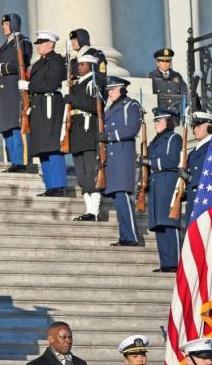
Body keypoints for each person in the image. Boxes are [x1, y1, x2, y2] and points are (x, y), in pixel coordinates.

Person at [19, 30, 67, 197]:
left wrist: (28, 86)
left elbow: (51, 83)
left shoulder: (56, 61)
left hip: (50, 106)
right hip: (39, 106)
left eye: (41, 43)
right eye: (38, 43)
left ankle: (58, 185)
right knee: (43, 148)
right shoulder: (40, 63)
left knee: (52, 146)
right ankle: (50, 185)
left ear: (51, 44)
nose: (38, 46)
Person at [139, 108, 182, 272]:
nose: (156, 123)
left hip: (167, 181)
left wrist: (150, 161)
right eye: (155, 120)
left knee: (169, 223)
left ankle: (175, 262)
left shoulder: (174, 138)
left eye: (159, 120)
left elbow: (172, 160)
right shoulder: (155, 141)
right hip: (156, 182)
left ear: (168, 122)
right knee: (159, 225)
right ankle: (166, 262)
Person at [0, 13, 32, 173]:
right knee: (6, 128)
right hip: (4, 90)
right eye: (3, 24)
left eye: (7, 24)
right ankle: (13, 161)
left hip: (15, 90)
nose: (3, 27)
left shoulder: (22, 42)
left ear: (14, 24)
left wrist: (1, 68)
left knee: (16, 126)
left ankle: (20, 161)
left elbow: (21, 64)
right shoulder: (5, 45)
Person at [103, 76, 142, 246]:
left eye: (112, 89)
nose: (109, 92)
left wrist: (109, 136)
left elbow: (132, 128)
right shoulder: (110, 108)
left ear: (121, 88)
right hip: (112, 157)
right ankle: (124, 235)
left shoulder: (130, 105)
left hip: (122, 157)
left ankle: (131, 236)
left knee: (123, 197)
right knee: (118, 199)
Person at [66, 54, 103, 221]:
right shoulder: (78, 83)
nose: (78, 67)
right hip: (77, 132)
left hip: (88, 132)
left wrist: (72, 99)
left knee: (90, 173)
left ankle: (94, 211)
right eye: (78, 64)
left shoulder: (94, 82)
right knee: (81, 175)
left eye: (82, 64)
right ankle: (89, 210)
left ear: (91, 66)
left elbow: (95, 106)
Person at [182, 112, 212, 226]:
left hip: (205, 200)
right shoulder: (193, 152)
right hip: (193, 200)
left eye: (198, 125)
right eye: (193, 126)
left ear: (210, 126)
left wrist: (191, 177)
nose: (194, 129)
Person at [147, 48, 188, 117]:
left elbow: (185, 95)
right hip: (160, 115)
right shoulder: (151, 77)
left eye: (168, 61)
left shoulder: (177, 76)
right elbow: (149, 99)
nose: (165, 63)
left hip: (176, 115)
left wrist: (178, 109)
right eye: (162, 61)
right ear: (157, 63)